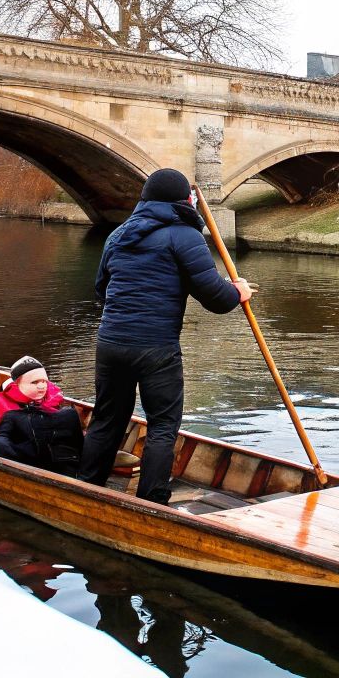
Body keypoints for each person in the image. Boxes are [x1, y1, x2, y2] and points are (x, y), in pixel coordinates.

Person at [77, 168, 255, 504]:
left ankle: (87, 488)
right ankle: (152, 502)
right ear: (183, 201)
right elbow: (215, 299)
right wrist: (238, 292)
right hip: (155, 348)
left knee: (107, 419)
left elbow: (102, 290)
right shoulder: (184, 236)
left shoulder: (118, 235)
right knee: (161, 426)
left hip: (111, 344)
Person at [0, 356, 82, 475]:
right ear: (17, 384)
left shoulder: (52, 399)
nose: (42, 386)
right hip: (28, 459)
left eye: (44, 381)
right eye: (34, 382)